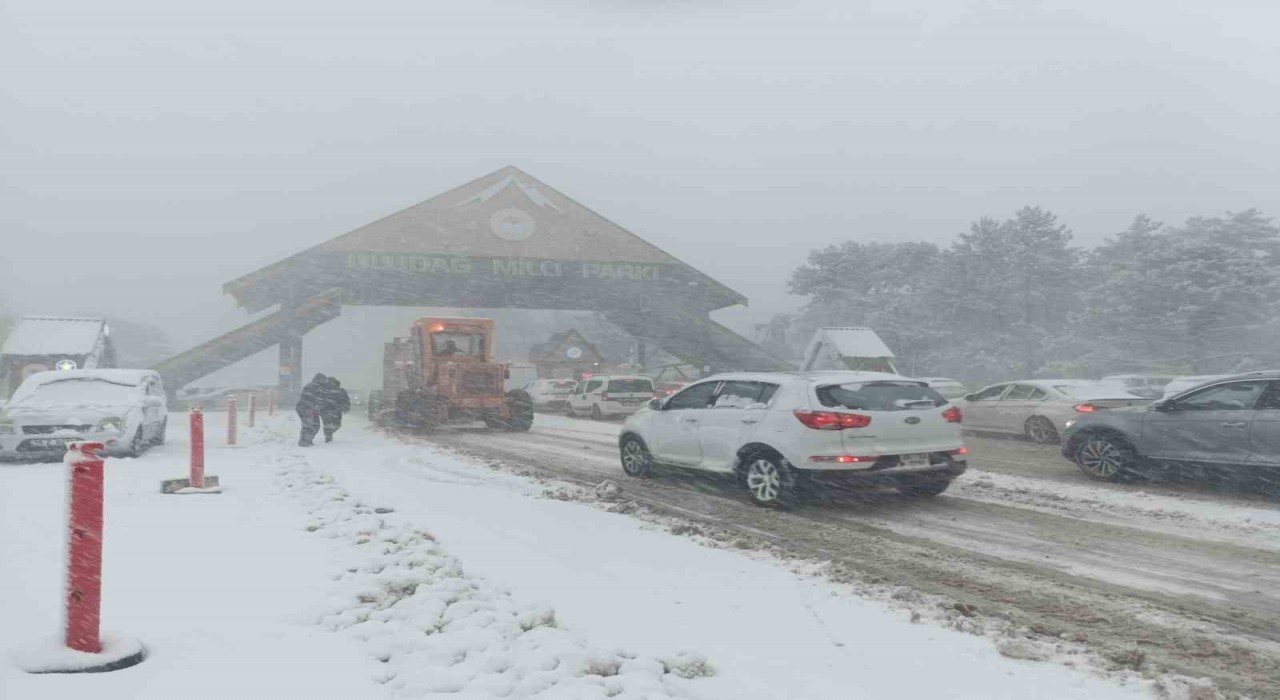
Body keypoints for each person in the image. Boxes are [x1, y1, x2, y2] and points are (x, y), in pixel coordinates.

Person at [296, 373, 328, 447]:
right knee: (308, 425)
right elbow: (309, 398)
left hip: (312, 409)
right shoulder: (312, 386)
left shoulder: (318, 387)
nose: (325, 382)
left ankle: (308, 439)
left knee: (316, 425)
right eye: (324, 380)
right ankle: (303, 442)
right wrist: (314, 407)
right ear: (319, 380)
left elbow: (321, 400)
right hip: (306, 409)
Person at [320, 376, 351, 443]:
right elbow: (319, 400)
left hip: (337, 411)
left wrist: (346, 407)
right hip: (326, 410)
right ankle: (328, 437)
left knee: (337, 424)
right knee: (327, 424)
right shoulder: (323, 390)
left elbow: (345, 399)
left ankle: (329, 433)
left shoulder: (341, 390)